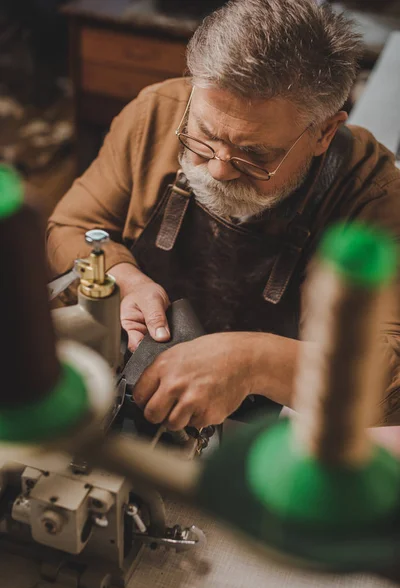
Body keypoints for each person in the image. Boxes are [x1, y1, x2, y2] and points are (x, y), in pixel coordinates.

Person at [47, 0, 400, 431]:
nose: (217, 169)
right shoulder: (156, 113)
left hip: (261, 427)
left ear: (323, 132)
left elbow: (387, 374)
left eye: (254, 155)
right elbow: (71, 228)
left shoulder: (372, 195)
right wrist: (121, 277)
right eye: (204, 137)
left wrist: (253, 361)